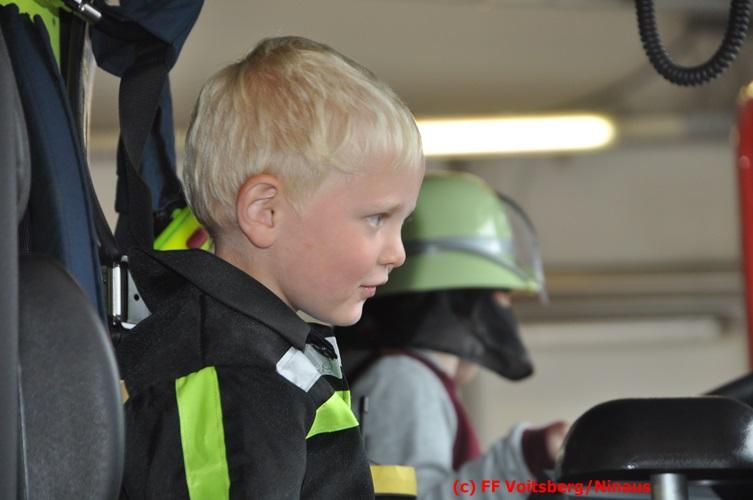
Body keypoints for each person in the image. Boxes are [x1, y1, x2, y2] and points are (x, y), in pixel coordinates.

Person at [116, 36, 425, 499]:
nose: (397, 253)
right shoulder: (234, 375)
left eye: (402, 222)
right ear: (266, 213)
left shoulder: (269, 354)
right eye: (377, 218)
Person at [337, 171, 568, 499]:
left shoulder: (412, 377)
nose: (504, 307)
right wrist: (525, 458)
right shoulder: (405, 379)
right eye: (501, 292)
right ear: (466, 299)